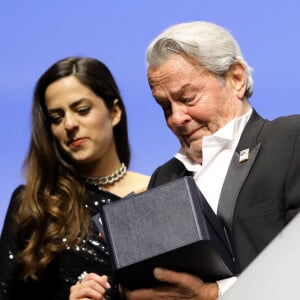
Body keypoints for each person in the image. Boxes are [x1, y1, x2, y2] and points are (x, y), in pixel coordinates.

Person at [121, 21, 300, 299]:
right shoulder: (164, 177)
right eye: (165, 106)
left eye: (188, 97)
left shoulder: (290, 140)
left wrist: (216, 294)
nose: (176, 118)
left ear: (236, 78)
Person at [0, 56, 150, 300]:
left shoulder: (157, 191)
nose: (70, 124)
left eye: (82, 110)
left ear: (114, 112)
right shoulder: (34, 205)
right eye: (56, 118)